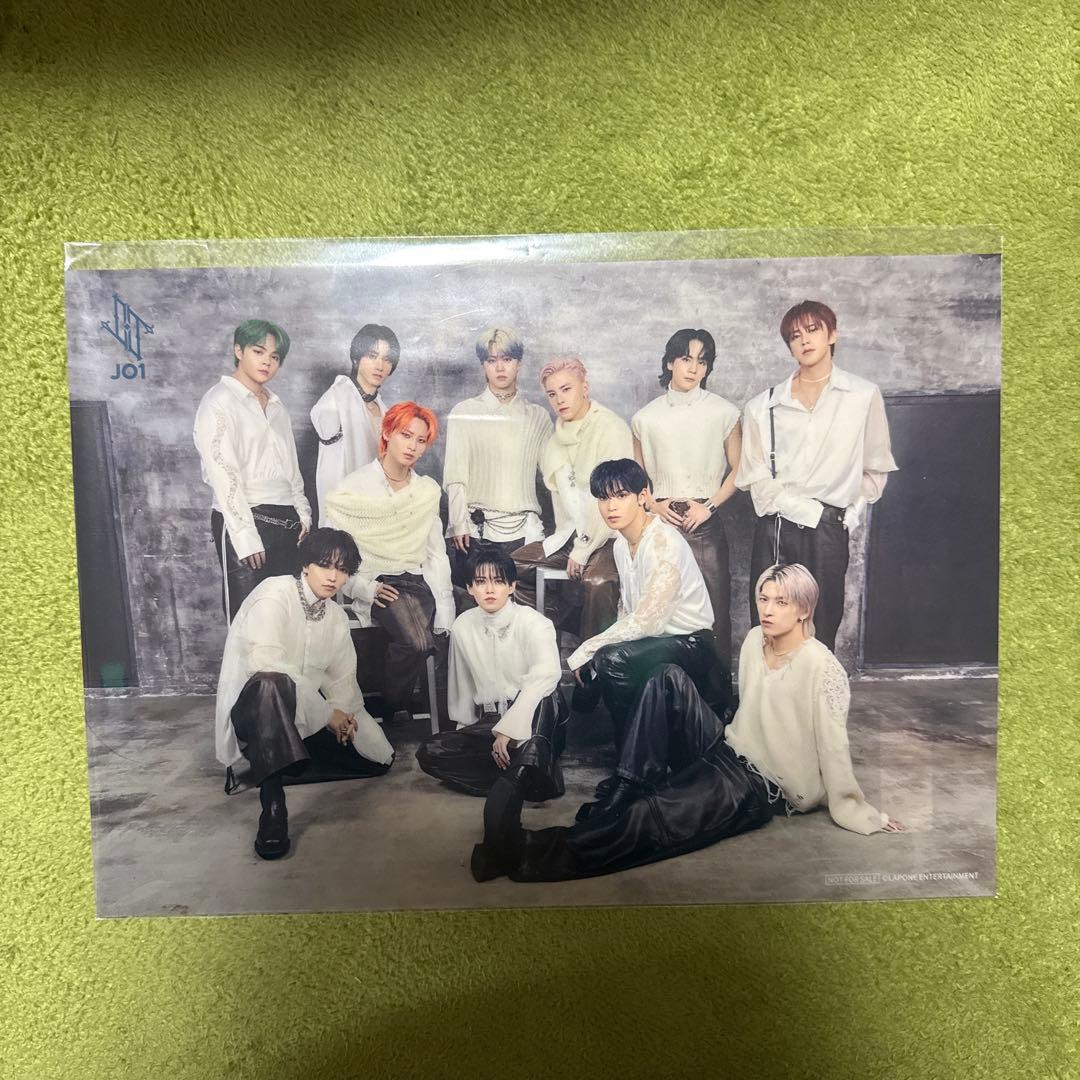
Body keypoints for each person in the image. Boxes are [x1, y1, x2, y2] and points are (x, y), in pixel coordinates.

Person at [470, 563, 902, 883]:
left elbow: (833, 747)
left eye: (781, 602)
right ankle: (628, 785)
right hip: (729, 747)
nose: (767, 611)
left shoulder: (823, 669)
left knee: (654, 818)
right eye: (763, 599)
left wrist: (856, 809)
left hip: (762, 785)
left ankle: (521, 851)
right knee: (666, 678)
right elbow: (752, 711)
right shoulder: (756, 640)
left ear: (804, 609)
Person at [214, 528, 394, 860]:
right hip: (254, 715)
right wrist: (327, 715)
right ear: (306, 565)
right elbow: (265, 664)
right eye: (325, 565)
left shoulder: (335, 616)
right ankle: (273, 804)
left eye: (342, 570)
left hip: (302, 717)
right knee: (271, 682)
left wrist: (344, 716)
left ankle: (275, 762)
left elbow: (341, 680)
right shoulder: (273, 595)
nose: (333, 577)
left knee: (379, 759)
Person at [736, 300, 898, 651]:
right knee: (770, 626)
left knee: (821, 627)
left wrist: (846, 515)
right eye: (795, 336)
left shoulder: (862, 395)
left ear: (832, 334)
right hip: (776, 526)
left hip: (828, 530)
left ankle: (815, 689)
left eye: (813, 330)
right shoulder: (762, 406)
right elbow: (756, 481)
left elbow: (875, 467)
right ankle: (769, 688)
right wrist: (811, 512)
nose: (805, 340)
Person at [564, 458, 728, 753]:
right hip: (658, 640)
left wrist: (588, 648)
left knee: (610, 658)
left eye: (621, 496)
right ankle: (630, 753)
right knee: (605, 658)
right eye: (603, 498)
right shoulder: (620, 545)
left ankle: (636, 753)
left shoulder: (664, 542)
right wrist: (596, 650)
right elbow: (628, 610)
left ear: (642, 497)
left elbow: (648, 620)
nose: (611, 507)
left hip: (693, 644)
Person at [324, 401, 453, 720]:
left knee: (469, 622)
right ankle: (392, 702)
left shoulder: (425, 491)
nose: (412, 446)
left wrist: (445, 604)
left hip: (421, 580)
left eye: (420, 440)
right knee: (417, 642)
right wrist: (363, 589)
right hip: (381, 582)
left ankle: (447, 712)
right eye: (405, 435)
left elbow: (436, 553)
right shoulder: (354, 487)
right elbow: (331, 554)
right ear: (387, 433)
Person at [416, 549, 568, 801]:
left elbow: (545, 676)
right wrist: (469, 736)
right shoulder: (463, 625)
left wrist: (508, 731)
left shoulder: (534, 622)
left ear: (512, 586)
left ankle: (520, 772)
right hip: (490, 721)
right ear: (470, 588)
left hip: (534, 716)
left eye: (498, 581)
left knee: (544, 694)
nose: (489, 589)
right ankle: (525, 774)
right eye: (480, 582)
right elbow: (462, 687)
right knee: (430, 751)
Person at [631, 328, 742, 672]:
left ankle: (715, 695)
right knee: (658, 608)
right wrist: (655, 506)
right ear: (669, 362)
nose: (694, 368)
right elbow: (637, 480)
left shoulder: (724, 412)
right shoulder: (644, 418)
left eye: (702, 361)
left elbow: (741, 469)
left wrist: (708, 507)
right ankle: (666, 691)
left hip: (704, 523)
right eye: (685, 359)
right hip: (660, 523)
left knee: (714, 610)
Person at [194, 319, 312, 621]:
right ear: (239, 351)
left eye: (275, 357)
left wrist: (302, 513)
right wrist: (245, 537)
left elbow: (291, 466)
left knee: (286, 618)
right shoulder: (219, 401)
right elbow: (223, 474)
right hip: (245, 518)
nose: (267, 362)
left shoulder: (277, 406)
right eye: (259, 352)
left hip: (287, 521)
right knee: (248, 622)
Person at [512, 357, 633, 643]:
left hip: (610, 534)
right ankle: (577, 621)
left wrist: (583, 549)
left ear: (585, 388)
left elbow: (612, 501)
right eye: (552, 394)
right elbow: (563, 510)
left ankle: (593, 660)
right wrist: (573, 544)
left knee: (598, 582)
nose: (559, 400)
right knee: (505, 570)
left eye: (566, 389)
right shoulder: (553, 443)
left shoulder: (611, 428)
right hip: (571, 535)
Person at [442, 327, 553, 595]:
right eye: (492, 360)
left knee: (528, 605)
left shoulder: (537, 416)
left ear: (519, 363)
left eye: (507, 359)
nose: (500, 367)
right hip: (476, 531)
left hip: (525, 531)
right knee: (478, 603)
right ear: (483, 365)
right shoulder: (464, 412)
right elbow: (456, 475)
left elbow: (555, 475)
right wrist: (459, 523)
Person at [311, 323, 400, 526]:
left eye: (387, 359)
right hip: (343, 516)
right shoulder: (337, 397)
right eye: (372, 356)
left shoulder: (385, 410)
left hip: (378, 514)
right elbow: (320, 416)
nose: (380, 366)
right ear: (356, 358)